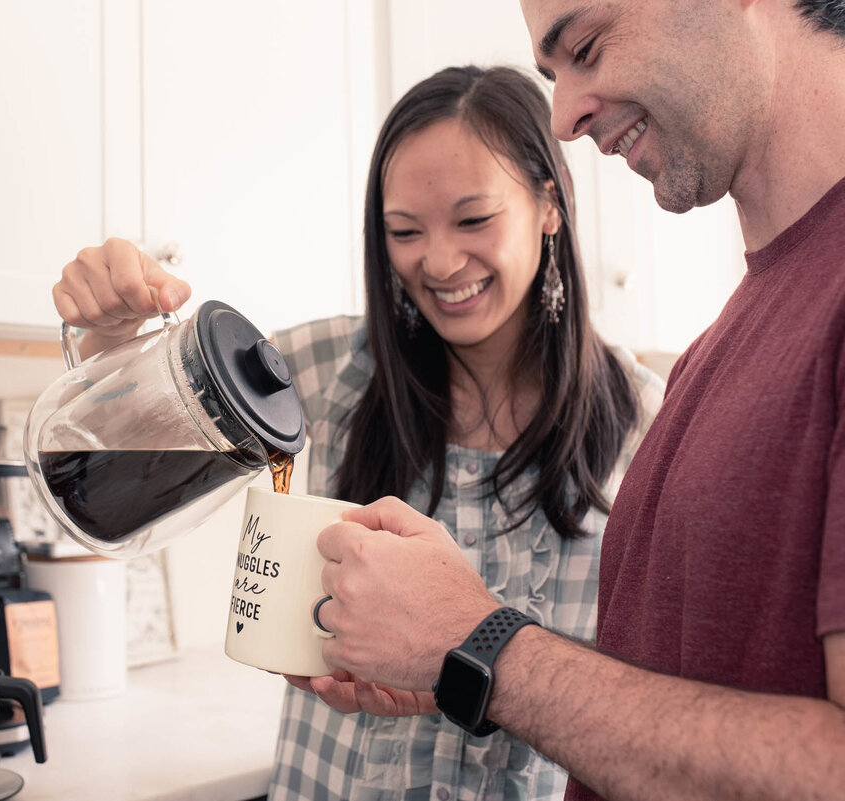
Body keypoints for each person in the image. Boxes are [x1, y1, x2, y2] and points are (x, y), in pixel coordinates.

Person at [52, 66, 663, 800]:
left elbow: (644, 702)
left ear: (550, 203)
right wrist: (114, 340)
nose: (437, 262)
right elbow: (119, 450)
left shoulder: (648, 423)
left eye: (473, 220)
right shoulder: (325, 368)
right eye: (405, 231)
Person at [304, 2, 845, 800]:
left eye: (587, 44)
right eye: (553, 72)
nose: (562, 118)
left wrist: (482, 643)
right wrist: (459, 666)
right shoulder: (720, 349)